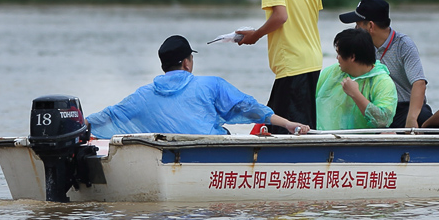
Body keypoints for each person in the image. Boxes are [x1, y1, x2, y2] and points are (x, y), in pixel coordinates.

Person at [86, 35, 310, 138]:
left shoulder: (143, 95)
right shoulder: (211, 85)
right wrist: (289, 123)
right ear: (186, 62)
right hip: (209, 151)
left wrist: (74, 126)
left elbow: (109, 116)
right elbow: (250, 107)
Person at [237, 0, 323, 132]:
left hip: (292, 63)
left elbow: (281, 16)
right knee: (293, 127)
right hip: (313, 60)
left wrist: (255, 35)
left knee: (288, 131)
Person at [339, 0, 432, 128]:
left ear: (370, 25)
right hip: (375, 108)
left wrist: (411, 119)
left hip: (405, 108)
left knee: (423, 118)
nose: (355, 29)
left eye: (358, 25)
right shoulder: (360, 46)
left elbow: (419, 83)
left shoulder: (404, 45)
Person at [315, 28, 397, 130]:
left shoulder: (382, 82)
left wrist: (355, 94)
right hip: (326, 140)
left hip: (361, 143)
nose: (337, 58)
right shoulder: (331, 73)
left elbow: (383, 121)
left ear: (352, 57)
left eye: (339, 53)